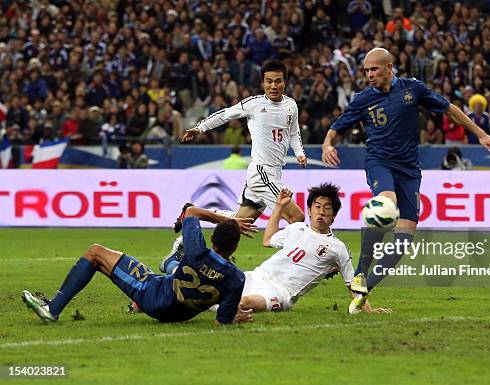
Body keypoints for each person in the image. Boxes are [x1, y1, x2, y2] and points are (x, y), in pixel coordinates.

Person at [321, 47, 490, 313]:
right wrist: (328, 145)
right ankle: (360, 271)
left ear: (389, 67)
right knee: (386, 206)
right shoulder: (363, 99)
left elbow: (450, 109)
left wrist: (480, 134)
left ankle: (363, 291)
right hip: (380, 163)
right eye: (366, 70)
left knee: (403, 240)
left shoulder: (412, 89)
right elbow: (336, 129)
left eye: (374, 69)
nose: (369, 75)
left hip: (410, 171)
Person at [161, 184, 390, 314]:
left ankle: (172, 266)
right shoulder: (297, 228)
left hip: (281, 292)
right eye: (317, 206)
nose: (321, 211)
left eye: (327, 208)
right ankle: (170, 267)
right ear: (309, 210)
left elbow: (353, 283)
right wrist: (279, 207)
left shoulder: (338, 248)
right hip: (257, 275)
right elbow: (268, 240)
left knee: (242, 305)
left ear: (334, 215)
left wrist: (369, 309)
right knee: (204, 288)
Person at [22, 208, 257, 325]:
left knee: (95, 253)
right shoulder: (236, 278)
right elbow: (222, 322)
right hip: (178, 315)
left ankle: (52, 310)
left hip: (153, 296)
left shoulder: (197, 249)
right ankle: (167, 266)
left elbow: (190, 211)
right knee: (168, 272)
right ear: (235, 249)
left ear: (213, 239)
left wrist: (227, 219)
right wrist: (232, 317)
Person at [181, 60, 307, 224]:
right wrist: (200, 128)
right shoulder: (254, 104)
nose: (273, 86)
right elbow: (225, 114)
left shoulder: (291, 105)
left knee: (240, 222)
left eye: (278, 81)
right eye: (269, 81)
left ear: (285, 82)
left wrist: (299, 153)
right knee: (297, 218)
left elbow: (293, 132)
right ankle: (289, 250)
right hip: (262, 172)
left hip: (275, 171)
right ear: (262, 83)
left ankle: (194, 212)